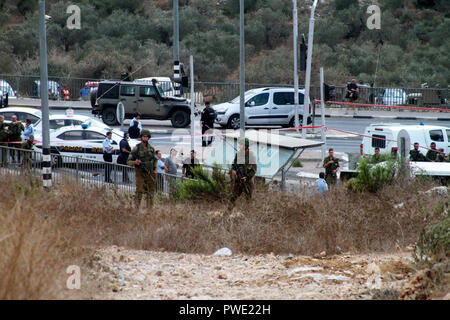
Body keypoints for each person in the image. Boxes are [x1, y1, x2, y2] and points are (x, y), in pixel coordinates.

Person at [127, 129, 157, 209]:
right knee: (139, 191)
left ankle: (149, 209)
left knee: (150, 191)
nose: (145, 138)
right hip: (140, 172)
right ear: (141, 137)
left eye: (147, 137)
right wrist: (135, 162)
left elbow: (155, 160)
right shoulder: (136, 148)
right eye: (144, 136)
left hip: (149, 172)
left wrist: (155, 169)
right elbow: (128, 161)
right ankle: (136, 208)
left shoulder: (151, 148)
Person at [229, 138, 257, 206]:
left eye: (241, 144)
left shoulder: (251, 156)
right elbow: (234, 164)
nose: (239, 146)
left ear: (245, 146)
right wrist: (233, 170)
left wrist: (246, 177)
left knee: (248, 198)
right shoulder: (238, 154)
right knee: (232, 198)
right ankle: (228, 212)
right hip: (238, 180)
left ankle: (248, 214)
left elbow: (254, 169)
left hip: (247, 181)